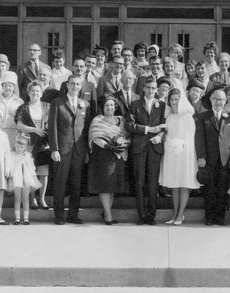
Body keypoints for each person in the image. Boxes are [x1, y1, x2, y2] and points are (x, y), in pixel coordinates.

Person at [48, 75, 92, 225]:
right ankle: (59, 216)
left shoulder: (85, 104)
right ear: (67, 85)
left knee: (76, 184)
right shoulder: (57, 102)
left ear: (81, 87)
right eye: (72, 84)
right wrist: (54, 149)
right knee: (60, 183)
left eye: (77, 84)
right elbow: (52, 127)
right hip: (62, 149)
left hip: (79, 150)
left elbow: (86, 130)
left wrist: (86, 150)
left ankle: (73, 215)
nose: (75, 87)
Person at [195, 88, 230, 226]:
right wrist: (201, 156)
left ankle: (220, 218)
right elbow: (199, 138)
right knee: (209, 190)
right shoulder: (203, 117)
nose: (218, 102)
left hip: (225, 160)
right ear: (210, 100)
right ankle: (209, 217)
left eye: (221, 99)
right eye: (215, 98)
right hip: (208, 159)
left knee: (222, 190)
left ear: (225, 100)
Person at [125, 76, 166, 225]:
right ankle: (141, 215)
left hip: (155, 147)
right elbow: (129, 125)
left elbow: (166, 126)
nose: (150, 90)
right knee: (139, 181)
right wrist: (149, 129)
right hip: (139, 147)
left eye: (153, 88)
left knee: (153, 182)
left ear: (157, 90)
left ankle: (151, 215)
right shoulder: (134, 104)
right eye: (148, 87)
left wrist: (160, 136)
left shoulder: (161, 105)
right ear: (143, 88)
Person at [159, 89, 201, 225]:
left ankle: (180, 214)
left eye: (176, 99)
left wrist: (181, 147)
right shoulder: (170, 116)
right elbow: (167, 134)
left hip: (185, 154)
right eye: (171, 99)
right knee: (174, 184)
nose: (174, 102)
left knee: (183, 184)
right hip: (171, 154)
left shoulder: (187, 116)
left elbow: (190, 137)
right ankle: (175, 213)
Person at [88, 94, 130, 225]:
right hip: (104, 156)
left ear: (115, 106)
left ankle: (108, 211)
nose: (109, 107)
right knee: (105, 186)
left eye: (112, 105)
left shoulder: (121, 120)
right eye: (106, 105)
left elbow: (127, 135)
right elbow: (94, 137)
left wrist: (125, 143)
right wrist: (109, 146)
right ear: (102, 107)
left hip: (118, 157)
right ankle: (108, 214)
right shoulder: (98, 120)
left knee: (112, 187)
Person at [15, 81, 51, 210]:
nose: (35, 93)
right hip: (29, 143)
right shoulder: (23, 108)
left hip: (44, 144)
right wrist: (35, 130)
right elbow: (19, 125)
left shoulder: (48, 107)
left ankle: (42, 199)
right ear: (28, 93)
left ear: (41, 93)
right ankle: (32, 199)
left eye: (37, 91)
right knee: (30, 172)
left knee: (43, 173)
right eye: (33, 91)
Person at [8, 135, 42, 225]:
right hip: (16, 179)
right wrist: (10, 175)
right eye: (18, 146)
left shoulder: (28, 155)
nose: (19, 149)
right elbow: (10, 167)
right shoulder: (12, 155)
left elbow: (32, 167)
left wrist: (34, 178)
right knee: (17, 199)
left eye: (21, 147)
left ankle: (26, 218)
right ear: (15, 145)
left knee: (25, 198)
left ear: (25, 147)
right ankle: (17, 218)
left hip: (26, 178)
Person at [0, 71, 24, 147]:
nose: (7, 88)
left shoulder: (19, 102)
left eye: (10, 86)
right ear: (2, 87)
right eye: (5, 85)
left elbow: (22, 120)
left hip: (13, 133)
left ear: (13, 87)